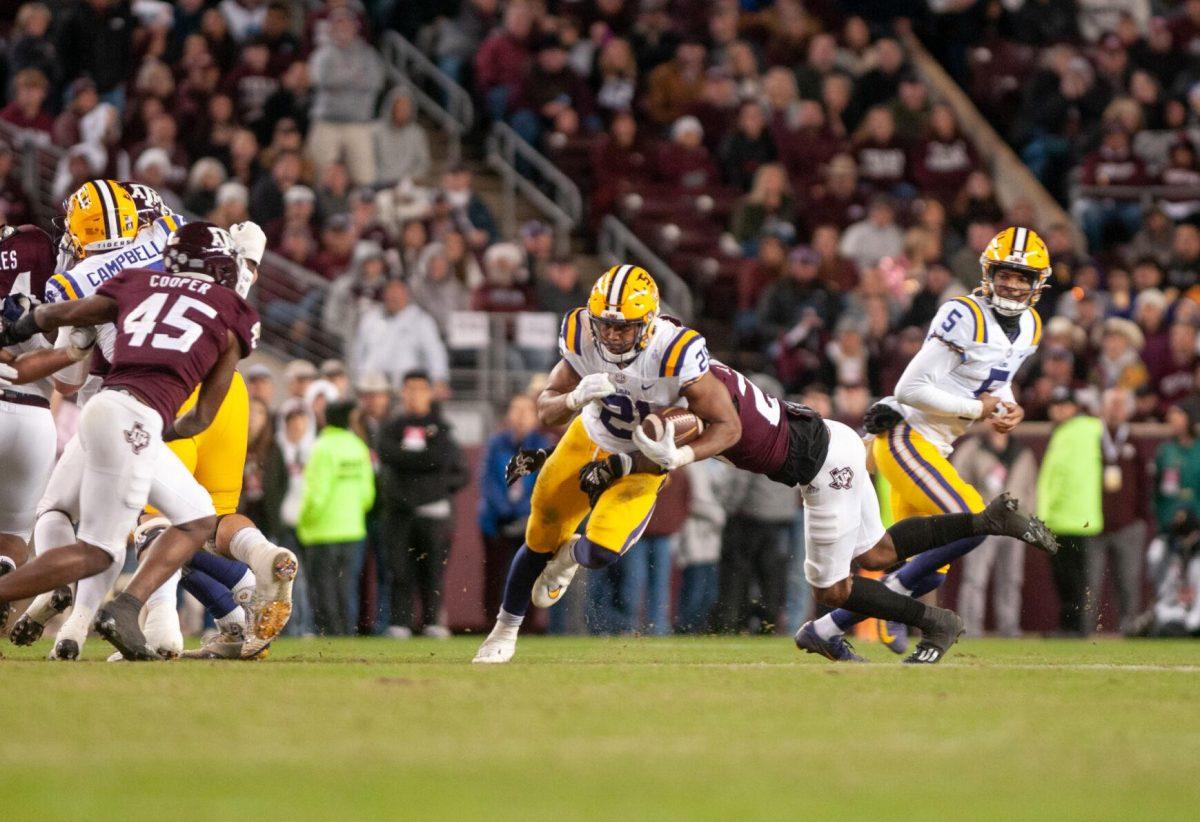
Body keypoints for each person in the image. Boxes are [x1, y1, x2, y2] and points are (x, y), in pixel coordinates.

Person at [566, 359, 1058, 664]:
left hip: (821, 465)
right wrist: (618, 465)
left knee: (833, 588)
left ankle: (937, 620)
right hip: (834, 440)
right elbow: (677, 435)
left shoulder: (698, 398)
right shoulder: (711, 378)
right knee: (879, 552)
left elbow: (697, 433)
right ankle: (985, 521)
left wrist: (645, 459)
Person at [0, 222, 260, 661]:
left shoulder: (135, 282)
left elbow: (61, 314)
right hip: (137, 419)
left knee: (194, 514)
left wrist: (22, 323)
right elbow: (199, 418)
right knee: (100, 552)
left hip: (102, 406)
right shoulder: (232, 311)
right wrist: (163, 432)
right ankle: (123, 607)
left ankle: (124, 608)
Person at [473, 265, 745, 664]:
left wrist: (682, 455)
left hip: (642, 458)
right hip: (589, 438)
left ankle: (570, 557)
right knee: (540, 531)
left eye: (625, 328)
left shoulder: (676, 351)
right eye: (606, 326)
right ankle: (505, 629)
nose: (613, 337)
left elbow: (728, 426)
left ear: (649, 323)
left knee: (602, 550)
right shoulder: (582, 333)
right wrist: (572, 398)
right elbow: (546, 411)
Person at [802, 227, 1051, 657]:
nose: (1012, 282)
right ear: (988, 272)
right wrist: (979, 409)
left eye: (1022, 276)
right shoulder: (965, 314)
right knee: (974, 517)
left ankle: (824, 630)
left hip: (936, 445)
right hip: (907, 434)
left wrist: (1010, 408)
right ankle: (895, 592)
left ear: (1038, 283)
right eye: (1006, 272)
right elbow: (909, 389)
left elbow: (999, 384)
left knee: (928, 570)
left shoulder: (1030, 326)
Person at [376, 371, 468, 638]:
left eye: (420, 388)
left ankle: (433, 622)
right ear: (402, 392)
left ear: (430, 392)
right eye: (409, 388)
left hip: (434, 511)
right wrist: (423, 462)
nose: (415, 394)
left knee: (432, 570)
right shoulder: (391, 427)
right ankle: (399, 623)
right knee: (399, 568)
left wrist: (409, 461)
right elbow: (389, 453)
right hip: (399, 511)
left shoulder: (442, 428)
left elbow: (440, 459)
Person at [296, 398, 376, 636]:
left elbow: (317, 493)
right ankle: (347, 633)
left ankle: (330, 635)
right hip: (353, 529)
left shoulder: (321, 447)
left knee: (324, 589)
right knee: (347, 588)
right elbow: (367, 494)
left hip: (321, 531)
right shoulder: (358, 446)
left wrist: (305, 521)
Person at [952, 430, 1039, 637]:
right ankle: (970, 627)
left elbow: (1031, 489)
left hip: (1015, 523)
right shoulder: (972, 449)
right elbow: (956, 483)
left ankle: (1009, 626)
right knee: (975, 577)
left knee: (1011, 578)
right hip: (984, 522)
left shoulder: (1021, 452)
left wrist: (1030, 520)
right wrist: (971, 515)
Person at [479, 392, 552, 621]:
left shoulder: (543, 446)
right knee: (495, 574)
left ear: (536, 416)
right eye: (516, 410)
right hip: (495, 521)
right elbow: (487, 481)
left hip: (530, 521)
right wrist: (504, 510)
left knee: (527, 573)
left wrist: (523, 511)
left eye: (526, 411)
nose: (521, 416)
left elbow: (545, 483)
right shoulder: (496, 443)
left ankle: (525, 624)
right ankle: (491, 622)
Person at [1037, 387, 1103, 635]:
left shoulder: (1084, 430)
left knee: (1073, 581)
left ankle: (1075, 628)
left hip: (1075, 518)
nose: (1058, 410)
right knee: (1066, 580)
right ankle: (1070, 627)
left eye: (1064, 405)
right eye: (1055, 405)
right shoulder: (1070, 432)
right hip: (1062, 519)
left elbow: (1058, 480)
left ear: (1075, 407)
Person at [306, 9, 386, 185]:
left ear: (355, 28)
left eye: (347, 24)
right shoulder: (322, 54)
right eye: (338, 24)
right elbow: (321, 80)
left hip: (359, 122)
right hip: (326, 121)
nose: (343, 29)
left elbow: (376, 82)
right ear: (331, 29)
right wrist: (355, 78)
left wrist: (338, 81)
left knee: (365, 176)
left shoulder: (368, 54)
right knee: (320, 174)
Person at [350, 279, 449, 394]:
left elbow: (434, 352)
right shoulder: (370, 319)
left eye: (398, 294)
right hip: (373, 387)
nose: (394, 298)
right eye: (390, 294)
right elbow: (357, 353)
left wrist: (439, 379)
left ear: (407, 295)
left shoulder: (421, 321)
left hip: (406, 387)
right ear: (384, 295)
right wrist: (356, 379)